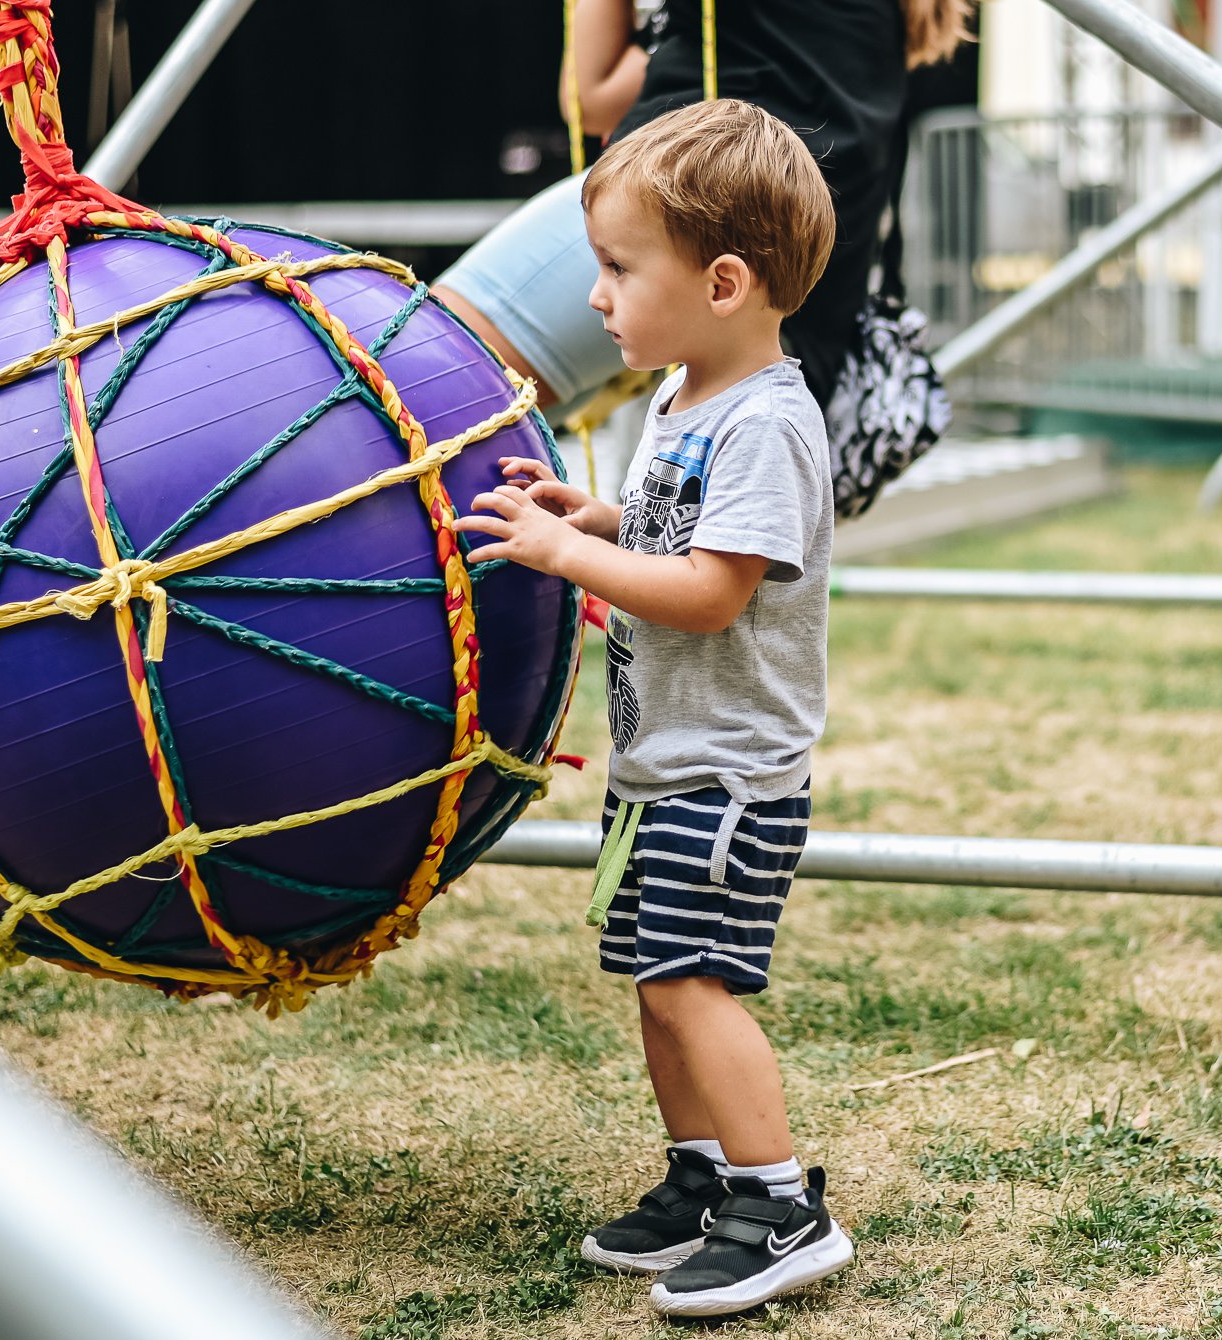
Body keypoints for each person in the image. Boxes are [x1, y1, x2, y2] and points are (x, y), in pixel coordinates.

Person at [453, 99, 845, 1317]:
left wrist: (568, 563)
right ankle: (704, 1178)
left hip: (727, 773)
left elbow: (710, 594)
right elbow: (675, 537)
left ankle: (782, 1205)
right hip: (663, 762)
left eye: (619, 268)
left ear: (723, 281)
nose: (594, 299)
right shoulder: (681, 403)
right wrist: (589, 519)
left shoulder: (768, 421)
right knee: (652, 974)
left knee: (691, 980)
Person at [432, 0, 972, 419]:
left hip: (680, 212)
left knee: (415, 369)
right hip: (748, 255)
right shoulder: (795, 28)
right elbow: (591, 97)